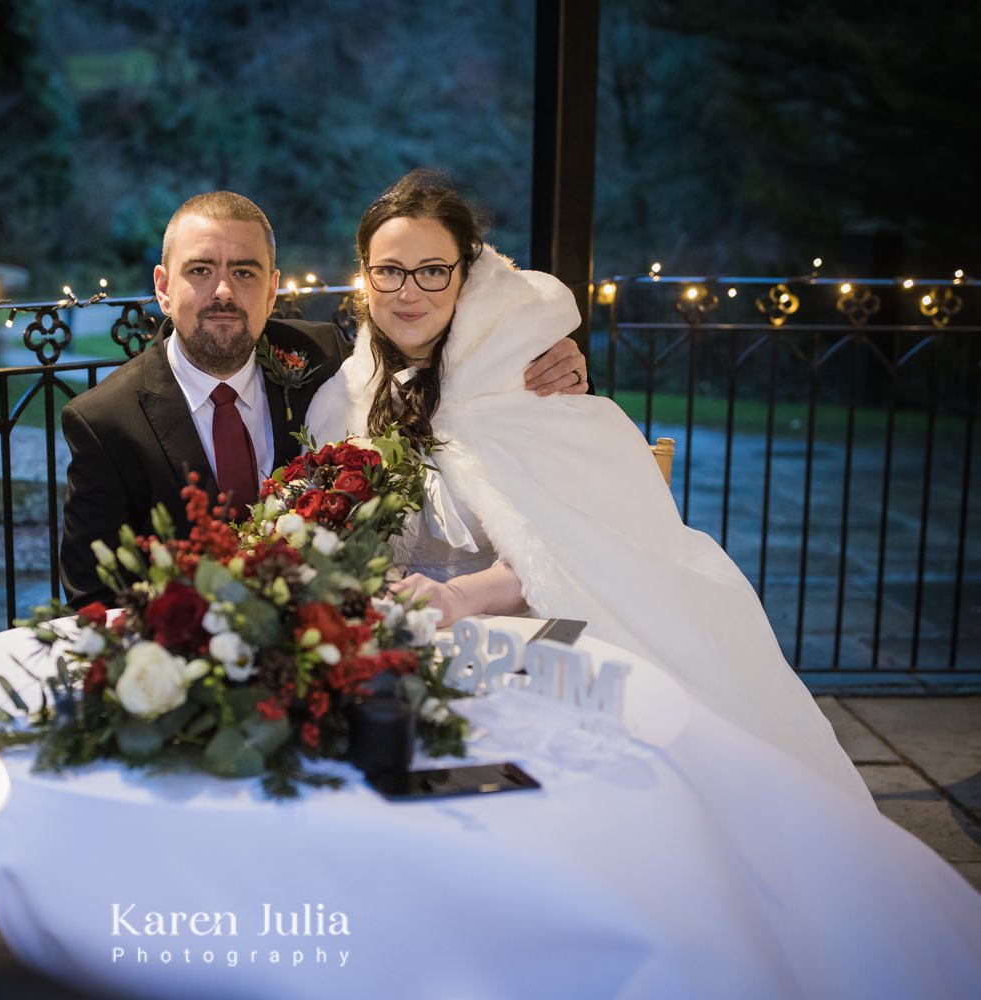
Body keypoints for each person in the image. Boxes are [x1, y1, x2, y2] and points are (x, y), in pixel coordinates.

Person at [305, 169, 872, 802]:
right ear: (364, 274)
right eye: (389, 270)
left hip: (533, 635)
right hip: (386, 651)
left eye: (432, 269)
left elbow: (572, 542)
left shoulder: (533, 379)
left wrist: (460, 599)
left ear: (465, 274)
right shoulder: (339, 399)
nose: (409, 291)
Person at [59, 191, 588, 608]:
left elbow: (440, 362)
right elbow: (94, 599)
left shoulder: (325, 360)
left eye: (244, 271)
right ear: (162, 287)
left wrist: (538, 352)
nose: (223, 290)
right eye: (200, 270)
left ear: (272, 290)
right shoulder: (106, 422)